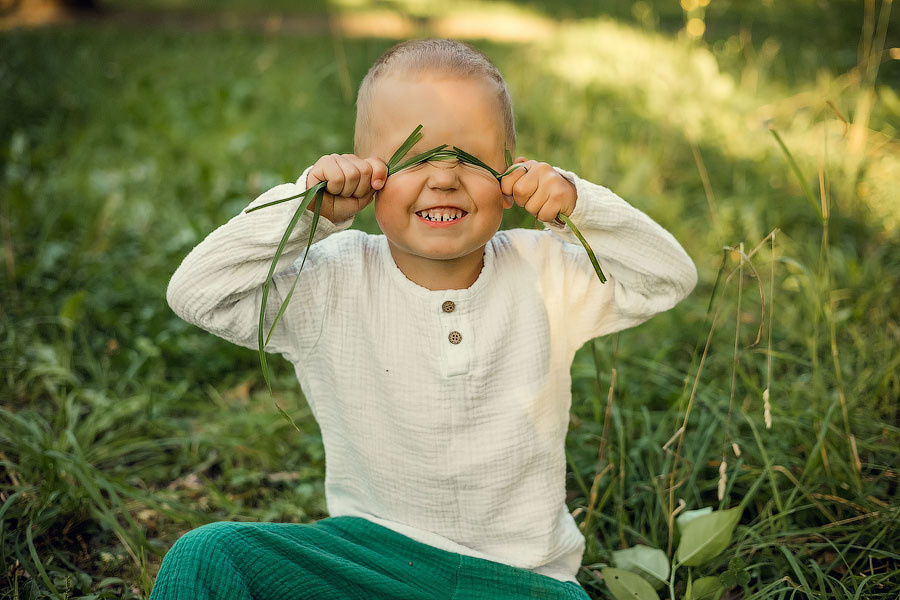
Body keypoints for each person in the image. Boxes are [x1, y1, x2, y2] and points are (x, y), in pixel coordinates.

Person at [152, 38, 697, 600]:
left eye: (470, 156)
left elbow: (666, 278)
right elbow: (197, 293)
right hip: (370, 564)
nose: (444, 177)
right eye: (416, 155)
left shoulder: (544, 273)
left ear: (513, 176)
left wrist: (580, 204)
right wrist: (305, 213)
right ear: (364, 174)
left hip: (520, 579)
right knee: (208, 554)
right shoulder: (330, 281)